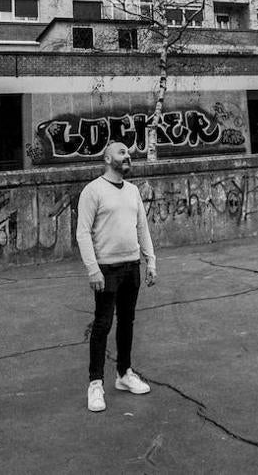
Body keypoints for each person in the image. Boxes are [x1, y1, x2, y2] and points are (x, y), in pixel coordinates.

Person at [76, 141, 157, 412]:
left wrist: (151, 260)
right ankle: (95, 384)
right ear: (107, 157)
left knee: (127, 323)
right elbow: (83, 232)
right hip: (106, 269)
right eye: (122, 153)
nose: (128, 157)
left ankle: (124, 374)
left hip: (131, 266)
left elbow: (142, 227)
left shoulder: (133, 191)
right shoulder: (93, 190)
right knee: (102, 324)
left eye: (129, 154)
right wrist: (93, 269)